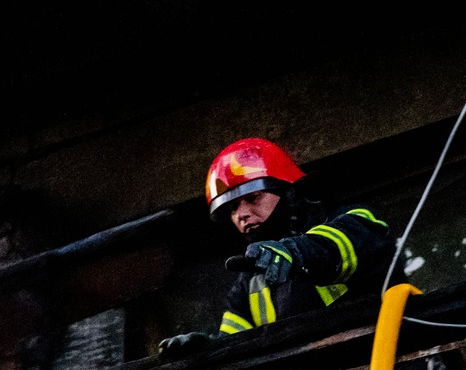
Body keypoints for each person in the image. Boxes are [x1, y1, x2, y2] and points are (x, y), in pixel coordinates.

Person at [160, 138, 394, 355]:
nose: (241, 214)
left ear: (289, 194)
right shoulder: (247, 284)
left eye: (253, 199)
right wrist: (204, 352)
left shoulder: (354, 221)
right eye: (232, 208)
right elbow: (236, 353)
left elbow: (335, 248)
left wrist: (293, 253)